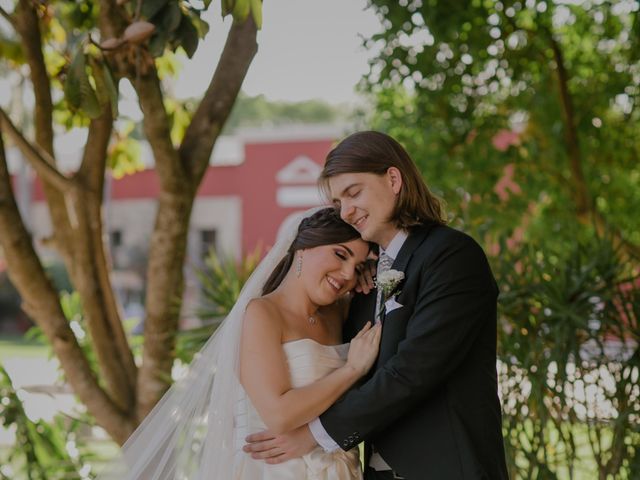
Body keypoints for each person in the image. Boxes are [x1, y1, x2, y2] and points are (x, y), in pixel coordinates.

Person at [244, 131, 509, 480]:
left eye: (354, 193)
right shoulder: (363, 283)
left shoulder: (451, 256)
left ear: (394, 179)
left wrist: (313, 436)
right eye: (339, 202)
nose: (347, 212)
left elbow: (413, 371)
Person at [99, 207, 381, 479]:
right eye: (340, 255)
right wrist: (351, 370)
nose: (347, 274)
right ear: (303, 247)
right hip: (275, 471)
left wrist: (370, 275)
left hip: (340, 469)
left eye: (357, 266)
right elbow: (278, 415)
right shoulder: (262, 313)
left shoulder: (341, 310)